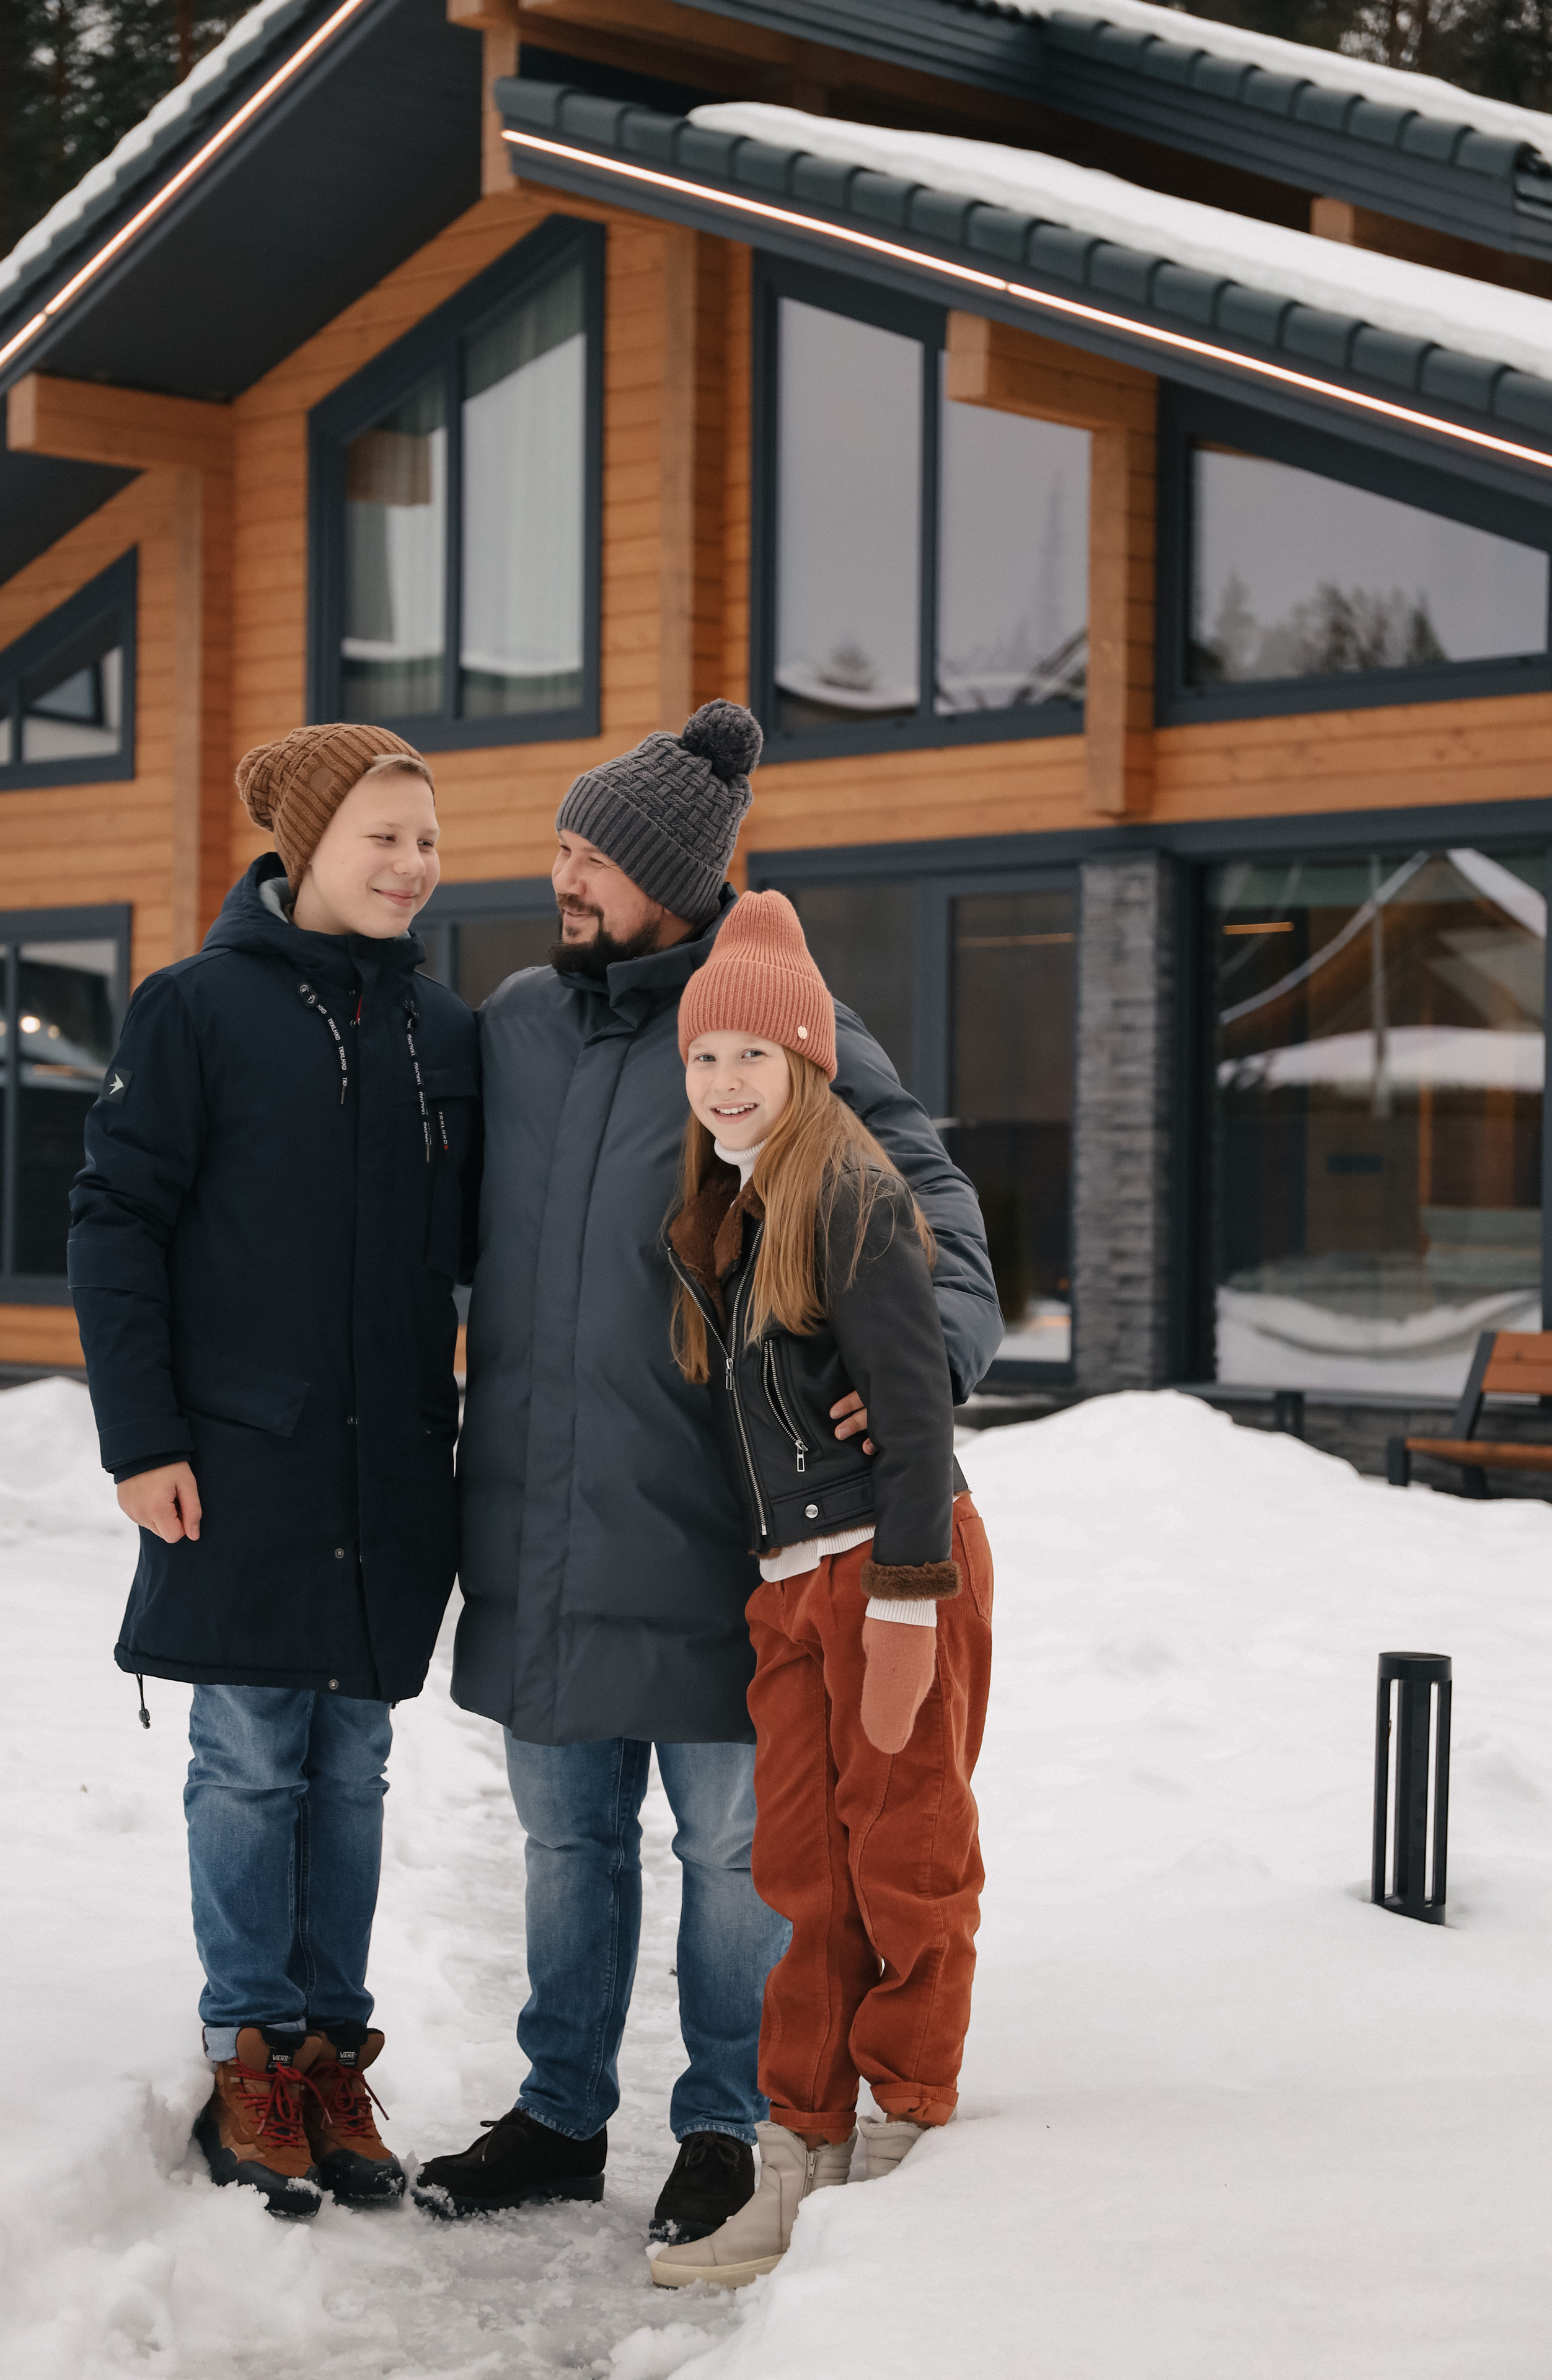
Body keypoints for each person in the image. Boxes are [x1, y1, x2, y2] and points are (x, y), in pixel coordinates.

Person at [416, 701, 1000, 2243]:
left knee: (740, 1850)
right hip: (535, 1521)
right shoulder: (521, 1021)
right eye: (558, 848)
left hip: (707, 1523)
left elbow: (923, 1201)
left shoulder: (769, 1021)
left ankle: (726, 2122)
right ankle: (556, 2113)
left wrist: (919, 1365)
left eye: (590, 857)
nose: (563, 878)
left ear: (669, 875)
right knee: (562, 1837)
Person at [68, 725, 481, 2218]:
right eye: (383, 836)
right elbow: (115, 1224)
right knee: (248, 1751)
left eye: (426, 841)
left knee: (352, 1763)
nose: (412, 865)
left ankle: (325, 2053)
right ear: (305, 845)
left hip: (389, 1472)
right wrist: (145, 1438)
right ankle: (250, 2048)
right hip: (240, 1460)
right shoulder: (191, 1011)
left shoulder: (445, 1032)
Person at [649, 889, 992, 2288]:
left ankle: (906, 2120)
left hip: (891, 1569)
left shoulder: (849, 1196)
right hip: (792, 1586)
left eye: (752, 1058)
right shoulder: (729, 1213)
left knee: (902, 1856)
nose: (725, 1082)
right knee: (799, 1873)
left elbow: (915, 1423)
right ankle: (799, 2142)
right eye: (703, 1059)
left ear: (805, 1064)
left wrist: (906, 1599)